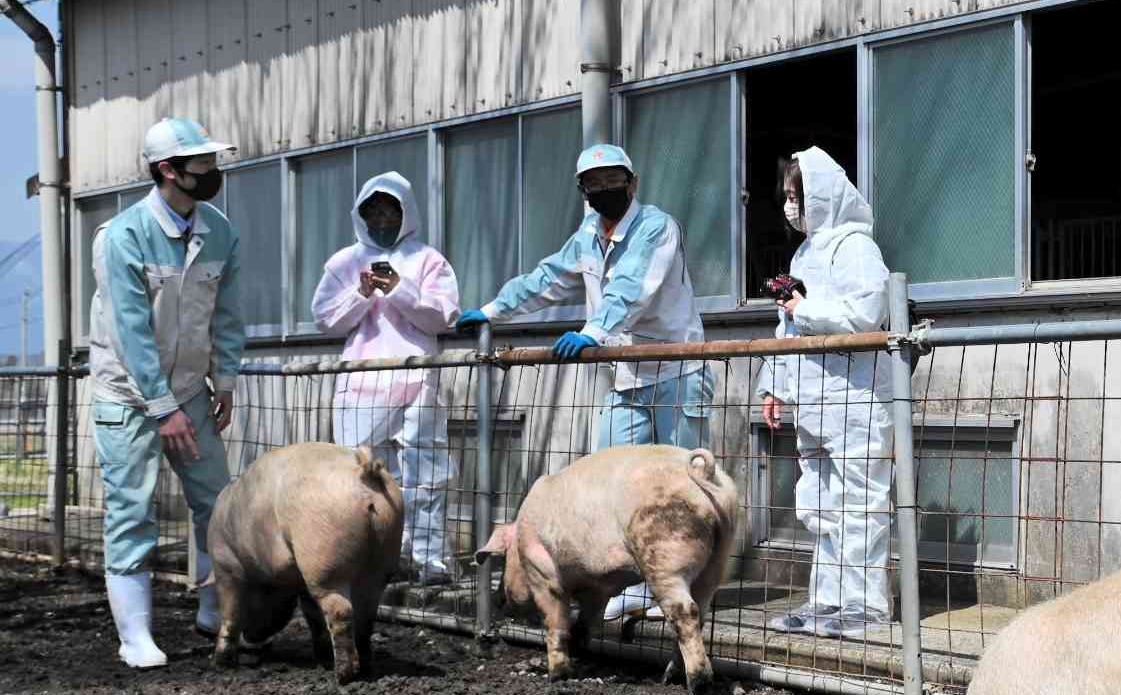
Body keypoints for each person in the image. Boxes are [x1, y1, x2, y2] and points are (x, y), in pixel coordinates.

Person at [455, 143, 708, 621]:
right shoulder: (588, 234)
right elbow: (546, 279)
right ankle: (637, 584)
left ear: (632, 183)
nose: (604, 190)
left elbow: (632, 288)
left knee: (684, 483)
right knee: (615, 482)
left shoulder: (656, 227)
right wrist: (492, 311)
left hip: (678, 371)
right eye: (593, 184)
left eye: (613, 180)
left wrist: (593, 331)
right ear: (583, 191)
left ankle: (685, 588)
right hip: (623, 373)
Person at [88, 117, 245, 669]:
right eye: (200, 164)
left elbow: (226, 313)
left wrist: (223, 381)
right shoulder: (122, 237)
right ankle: (136, 636)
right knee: (132, 511)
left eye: (212, 162)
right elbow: (131, 331)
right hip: (130, 397)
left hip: (192, 392)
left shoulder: (220, 232)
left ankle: (212, 609)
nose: (211, 172)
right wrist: (163, 408)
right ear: (167, 171)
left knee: (218, 504)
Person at [756, 147, 895, 641]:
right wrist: (774, 385)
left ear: (824, 194)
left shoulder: (856, 247)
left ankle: (865, 607)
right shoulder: (804, 253)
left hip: (855, 399)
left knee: (860, 503)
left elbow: (867, 313)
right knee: (818, 505)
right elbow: (787, 327)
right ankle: (828, 600)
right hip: (814, 403)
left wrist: (806, 308)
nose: (791, 206)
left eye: (799, 196)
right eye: (788, 197)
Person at [311, 170, 461, 584]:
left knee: (426, 475)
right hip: (364, 383)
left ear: (406, 212)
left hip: (418, 381)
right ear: (360, 215)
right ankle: (372, 559)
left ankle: (429, 562)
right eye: (372, 211)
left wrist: (399, 289)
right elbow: (325, 319)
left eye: (389, 211)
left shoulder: (428, 260)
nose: (381, 220)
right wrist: (361, 294)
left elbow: (445, 315)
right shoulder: (344, 262)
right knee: (363, 476)